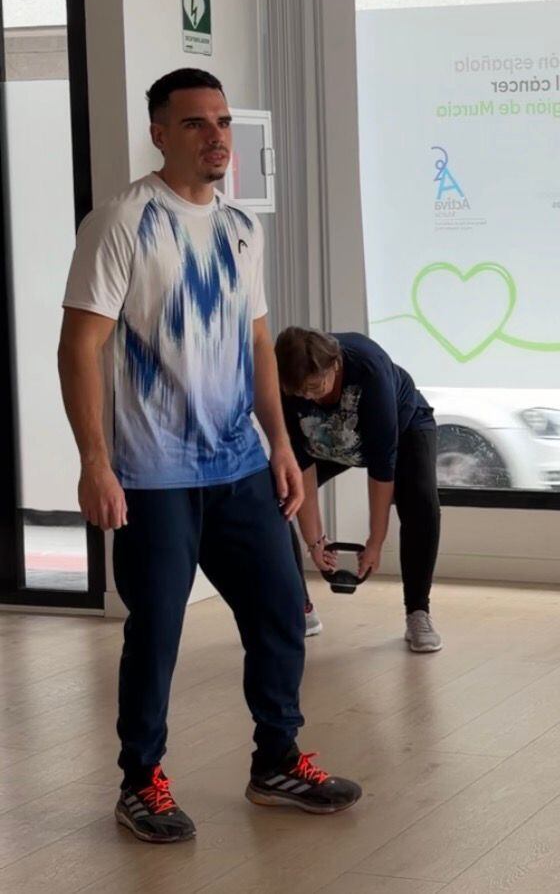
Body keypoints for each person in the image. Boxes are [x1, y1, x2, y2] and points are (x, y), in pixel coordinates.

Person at [58, 68, 361, 844]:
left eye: (222, 121)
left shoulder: (240, 227)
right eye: (195, 123)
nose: (216, 136)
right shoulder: (121, 222)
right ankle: (141, 782)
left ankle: (278, 763)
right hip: (152, 474)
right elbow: (78, 345)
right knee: (156, 632)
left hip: (239, 468)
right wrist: (96, 461)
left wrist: (281, 445)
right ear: (159, 133)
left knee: (280, 616)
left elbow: (259, 340)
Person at [275, 327, 442, 652]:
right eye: (300, 392)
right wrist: (315, 542)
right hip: (328, 440)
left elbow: (383, 466)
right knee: (278, 498)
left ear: (334, 365)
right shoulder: (286, 383)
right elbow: (301, 468)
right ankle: (301, 607)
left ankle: (417, 612)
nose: (309, 398)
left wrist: (375, 543)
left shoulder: (369, 368)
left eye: (315, 387)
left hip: (404, 429)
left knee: (421, 504)